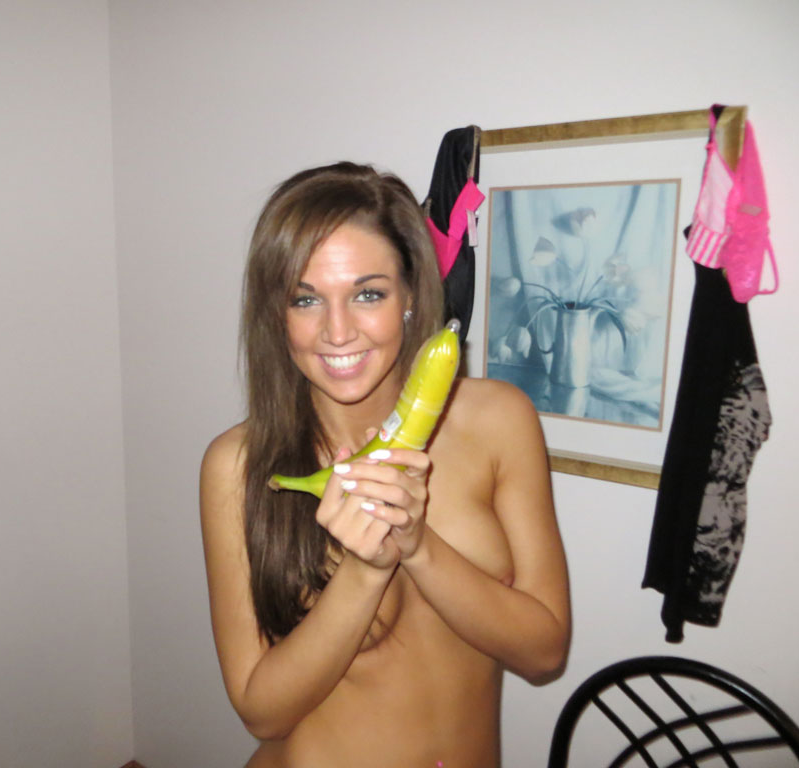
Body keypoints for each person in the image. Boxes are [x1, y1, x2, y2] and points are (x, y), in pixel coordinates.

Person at [200, 162, 570, 768]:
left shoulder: (499, 420)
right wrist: (366, 572)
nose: (337, 331)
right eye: (305, 299)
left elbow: (544, 652)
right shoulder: (237, 465)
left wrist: (418, 547)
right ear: (276, 313)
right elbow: (261, 712)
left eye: (367, 294)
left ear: (410, 297)